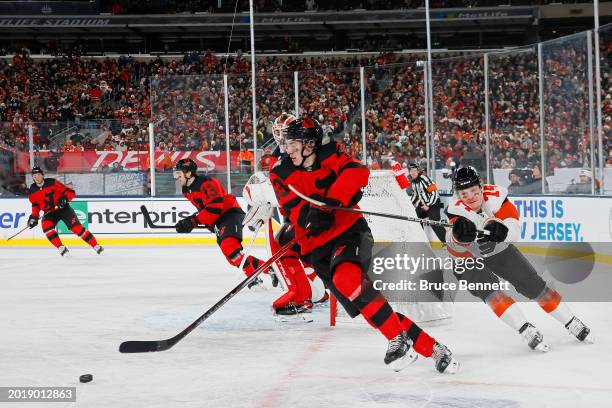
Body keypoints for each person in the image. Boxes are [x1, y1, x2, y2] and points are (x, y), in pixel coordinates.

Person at [269, 116, 459, 373]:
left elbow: (357, 172)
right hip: (317, 249)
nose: (288, 150)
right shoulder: (281, 172)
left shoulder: (331, 155)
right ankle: (434, 348)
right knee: (372, 310)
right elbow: (292, 209)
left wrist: (334, 200)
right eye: (287, 145)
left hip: (349, 232)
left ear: (310, 144)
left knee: (348, 279)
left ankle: (397, 339)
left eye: (293, 144)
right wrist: (306, 219)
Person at [445, 166, 593, 351]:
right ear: (458, 195)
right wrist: (460, 238)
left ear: (481, 186)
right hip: (466, 260)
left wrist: (502, 231)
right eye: (464, 194)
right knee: (492, 293)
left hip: (499, 250)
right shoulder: (455, 211)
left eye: (474, 191)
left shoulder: (496, 197)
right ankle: (525, 330)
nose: (471, 197)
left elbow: (514, 228)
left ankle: (571, 321)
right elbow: (452, 244)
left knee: (535, 285)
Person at [244, 112, 328, 317]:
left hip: (309, 215)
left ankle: (300, 295)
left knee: (282, 244)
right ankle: (316, 293)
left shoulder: (301, 155)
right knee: (301, 251)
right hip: (297, 214)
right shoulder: (283, 156)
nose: (282, 137)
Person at [173, 158, 268, 280]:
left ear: (188, 173)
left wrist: (193, 221)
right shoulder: (186, 190)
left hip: (230, 213)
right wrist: (191, 221)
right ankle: (270, 269)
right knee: (233, 257)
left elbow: (214, 207)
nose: (176, 177)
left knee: (230, 247)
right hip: (219, 220)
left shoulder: (207, 183)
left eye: (179, 174)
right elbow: (204, 208)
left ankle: (253, 278)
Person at [27, 166, 103, 256]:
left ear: (42, 175)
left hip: (63, 209)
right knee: (46, 227)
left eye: (38, 175)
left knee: (77, 229)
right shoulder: (32, 190)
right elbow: (35, 206)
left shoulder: (52, 182)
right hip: (49, 213)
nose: (37, 177)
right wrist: (33, 218)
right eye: (34, 176)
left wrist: (64, 198)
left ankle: (96, 246)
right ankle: (61, 248)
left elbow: (69, 192)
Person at [408, 163, 446, 242]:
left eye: (414, 170)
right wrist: (409, 204)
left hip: (434, 203)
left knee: (434, 222)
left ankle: (447, 242)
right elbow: (415, 194)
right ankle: (420, 240)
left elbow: (434, 192)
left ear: (418, 171)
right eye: (411, 171)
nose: (412, 172)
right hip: (424, 204)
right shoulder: (413, 182)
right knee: (415, 218)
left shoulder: (424, 179)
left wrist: (428, 204)